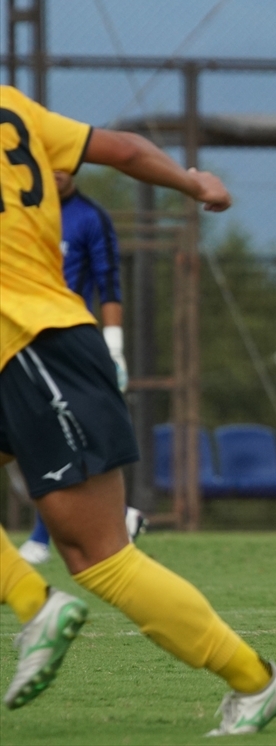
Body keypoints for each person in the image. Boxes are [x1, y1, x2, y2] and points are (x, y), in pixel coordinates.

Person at [0, 84, 276, 734]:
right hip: (30, 346)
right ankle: (32, 602)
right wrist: (194, 183)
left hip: (30, 342)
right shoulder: (13, 107)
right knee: (96, 555)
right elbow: (125, 150)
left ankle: (256, 681)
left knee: (100, 557)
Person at [18, 170, 144, 566]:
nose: (58, 171)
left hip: (64, 345)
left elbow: (109, 281)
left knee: (53, 436)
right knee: (30, 438)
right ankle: (117, 514)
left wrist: (114, 347)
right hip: (16, 338)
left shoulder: (89, 216)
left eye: (65, 162)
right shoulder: (20, 208)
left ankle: (41, 537)